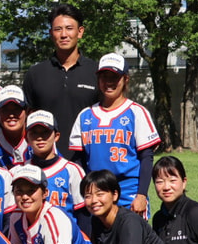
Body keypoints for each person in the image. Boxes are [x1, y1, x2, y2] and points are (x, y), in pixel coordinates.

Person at [68, 54, 160, 216]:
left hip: (128, 191)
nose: (109, 82)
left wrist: (141, 195)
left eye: (114, 77)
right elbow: (78, 161)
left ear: (125, 79)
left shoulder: (136, 112)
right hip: (97, 192)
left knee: (133, 239)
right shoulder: (86, 115)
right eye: (104, 77)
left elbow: (147, 157)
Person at [22, 4, 99, 155]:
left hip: (87, 162)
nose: (64, 35)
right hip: (46, 164)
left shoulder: (96, 72)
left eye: (69, 28)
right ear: (51, 33)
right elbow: (25, 119)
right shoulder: (35, 73)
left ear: (80, 32)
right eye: (58, 29)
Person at [23, 111, 88, 229]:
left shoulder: (72, 170)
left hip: (68, 240)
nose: (39, 138)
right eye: (34, 133)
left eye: (45, 132)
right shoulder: (19, 171)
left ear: (56, 136)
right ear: (26, 138)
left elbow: (83, 214)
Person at [0, 85, 29, 168]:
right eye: (5, 110)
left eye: (16, 109)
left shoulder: (41, 135)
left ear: (26, 111)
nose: (11, 115)